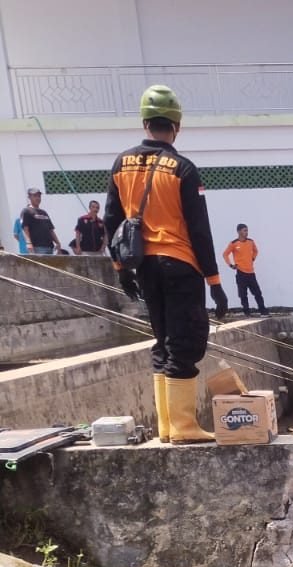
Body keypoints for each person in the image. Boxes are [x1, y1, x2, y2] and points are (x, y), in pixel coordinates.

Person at [104, 84, 229, 444]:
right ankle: (185, 427)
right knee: (185, 342)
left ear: (145, 123)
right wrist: (215, 281)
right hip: (180, 264)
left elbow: (111, 221)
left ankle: (166, 427)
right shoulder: (183, 169)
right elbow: (199, 231)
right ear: (177, 125)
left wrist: (120, 269)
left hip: (144, 267)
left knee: (162, 339)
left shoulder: (121, 163)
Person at [222, 224, 268, 317]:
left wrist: (253, 259)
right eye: (244, 230)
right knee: (243, 295)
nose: (246, 232)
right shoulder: (234, 243)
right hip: (241, 272)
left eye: (247, 230)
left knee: (257, 293)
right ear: (239, 231)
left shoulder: (251, 242)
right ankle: (247, 312)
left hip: (251, 272)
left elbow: (256, 251)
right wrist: (231, 265)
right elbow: (225, 254)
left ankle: (263, 311)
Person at [20, 188, 61, 255]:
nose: (37, 198)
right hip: (37, 247)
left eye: (39, 196)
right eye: (35, 196)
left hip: (50, 247)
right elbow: (25, 229)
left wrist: (58, 242)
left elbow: (50, 230)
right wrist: (29, 243)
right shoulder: (26, 211)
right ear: (29, 197)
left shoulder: (44, 212)